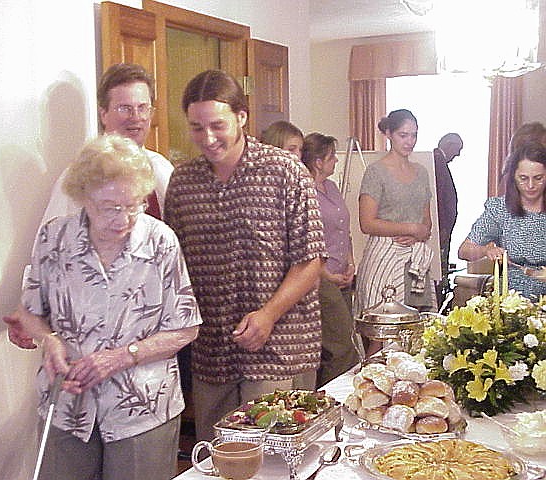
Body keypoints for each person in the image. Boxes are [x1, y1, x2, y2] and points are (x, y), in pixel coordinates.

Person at [5, 134, 202, 480]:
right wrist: (49, 340)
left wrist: (123, 356)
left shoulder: (161, 242)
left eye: (134, 205)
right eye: (111, 208)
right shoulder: (54, 238)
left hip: (142, 409)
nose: (123, 219)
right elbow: (30, 311)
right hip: (67, 404)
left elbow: (186, 327)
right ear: (84, 197)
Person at [164, 70, 327, 442]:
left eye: (217, 125)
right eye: (196, 128)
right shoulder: (183, 182)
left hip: (280, 348)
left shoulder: (286, 172)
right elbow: (174, 266)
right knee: (217, 455)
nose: (208, 138)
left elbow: (311, 259)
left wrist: (268, 315)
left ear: (241, 116)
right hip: (212, 352)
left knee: (273, 456)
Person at [7, 63, 174, 349]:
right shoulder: (81, 178)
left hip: (157, 330)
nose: (135, 118)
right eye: (124, 108)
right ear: (103, 114)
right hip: (99, 331)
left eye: (142, 108)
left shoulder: (163, 170)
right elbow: (48, 252)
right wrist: (31, 310)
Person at [353, 109, 435, 354]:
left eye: (414, 135)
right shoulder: (376, 172)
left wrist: (419, 232)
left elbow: (427, 223)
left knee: (417, 330)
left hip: (416, 258)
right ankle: (372, 376)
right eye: (403, 135)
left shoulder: (421, 172)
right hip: (384, 256)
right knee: (381, 333)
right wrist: (409, 227)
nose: (409, 141)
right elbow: (367, 222)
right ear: (389, 134)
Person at [301, 132, 358, 385]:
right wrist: (326, 274)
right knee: (340, 345)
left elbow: (343, 229)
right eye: (331, 157)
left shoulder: (332, 188)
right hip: (321, 276)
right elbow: (308, 238)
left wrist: (351, 262)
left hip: (342, 272)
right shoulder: (304, 191)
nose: (336, 161)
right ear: (318, 162)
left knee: (345, 338)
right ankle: (333, 395)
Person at [458, 141, 546, 300]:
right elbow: (464, 250)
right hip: (511, 300)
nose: (530, 185)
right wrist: (485, 251)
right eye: (523, 178)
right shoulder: (500, 209)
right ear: (513, 177)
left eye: (538, 178)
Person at [433, 132, 464, 305]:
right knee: (439, 272)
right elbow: (438, 198)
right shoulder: (437, 161)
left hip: (443, 229)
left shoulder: (440, 162)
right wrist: (442, 228)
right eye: (457, 149)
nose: (457, 155)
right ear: (449, 145)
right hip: (440, 229)